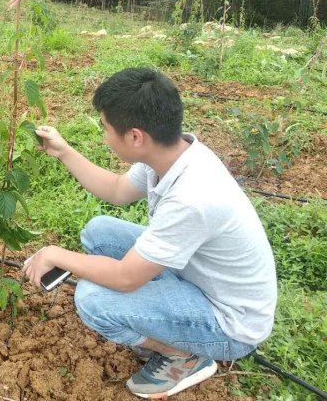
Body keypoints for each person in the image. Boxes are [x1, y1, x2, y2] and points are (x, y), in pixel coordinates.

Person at [24, 68, 277, 398]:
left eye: (105, 129)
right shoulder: (172, 153)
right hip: (199, 278)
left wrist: (55, 254)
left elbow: (125, 278)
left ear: (135, 137)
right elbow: (116, 190)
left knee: (93, 301)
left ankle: (185, 356)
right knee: (98, 231)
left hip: (229, 323)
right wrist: (63, 151)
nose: (104, 137)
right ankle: (169, 321)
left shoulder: (192, 199)